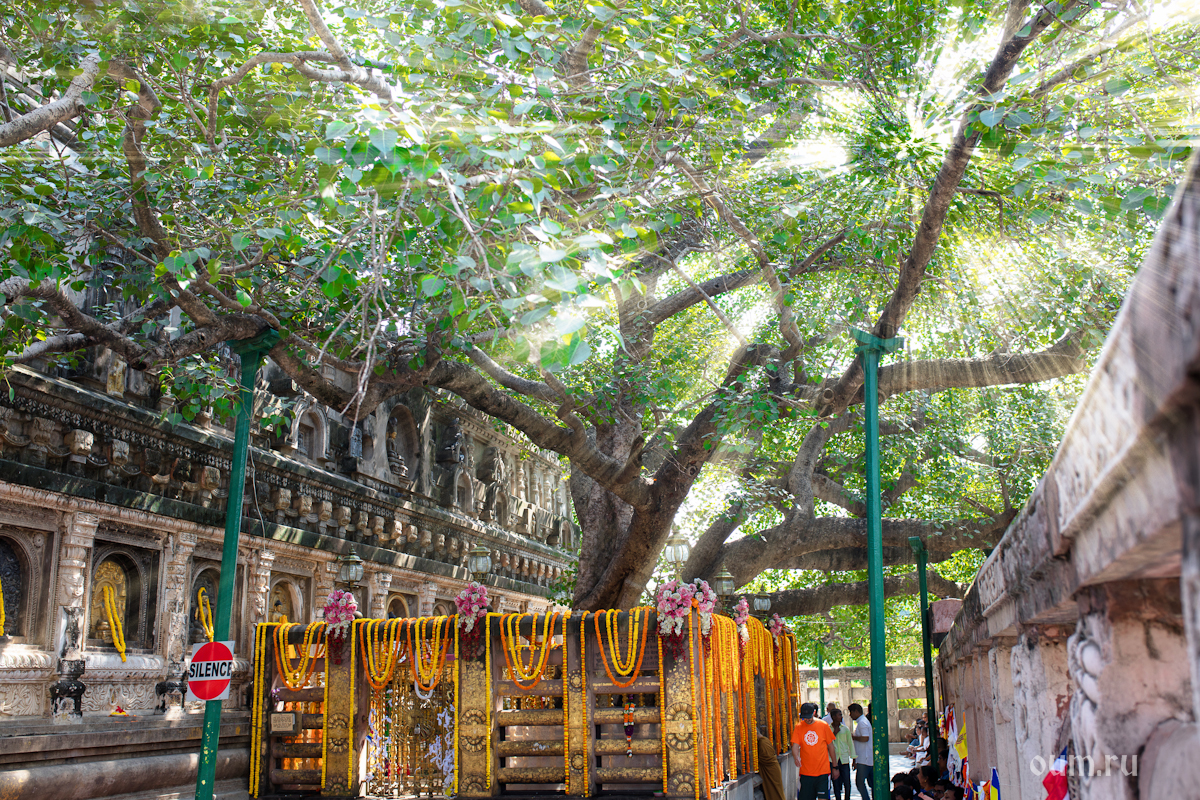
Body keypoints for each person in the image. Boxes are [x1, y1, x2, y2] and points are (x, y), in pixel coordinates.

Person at [791, 701, 839, 800]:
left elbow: (831, 747)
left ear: (814, 713)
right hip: (806, 773)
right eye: (805, 717)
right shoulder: (799, 727)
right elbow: (795, 746)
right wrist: (796, 757)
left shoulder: (823, 725)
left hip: (822, 772)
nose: (807, 720)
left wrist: (835, 766)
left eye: (809, 717)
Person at [848, 703, 873, 800]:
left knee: (860, 782)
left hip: (864, 759)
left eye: (851, 712)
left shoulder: (862, 723)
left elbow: (865, 738)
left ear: (856, 711)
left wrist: (854, 737)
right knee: (870, 783)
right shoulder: (862, 722)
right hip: (864, 758)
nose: (850, 715)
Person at [829, 708, 854, 800]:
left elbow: (850, 744)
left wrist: (854, 758)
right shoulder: (828, 729)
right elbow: (827, 744)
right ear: (833, 717)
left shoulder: (845, 729)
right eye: (839, 715)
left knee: (847, 782)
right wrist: (834, 734)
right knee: (836, 782)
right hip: (833, 760)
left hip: (844, 759)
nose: (841, 717)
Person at [757, 728, 785, 800]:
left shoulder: (763, 743)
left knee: (776, 791)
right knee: (775, 791)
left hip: (771, 770)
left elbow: (765, 758)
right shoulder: (765, 740)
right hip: (772, 768)